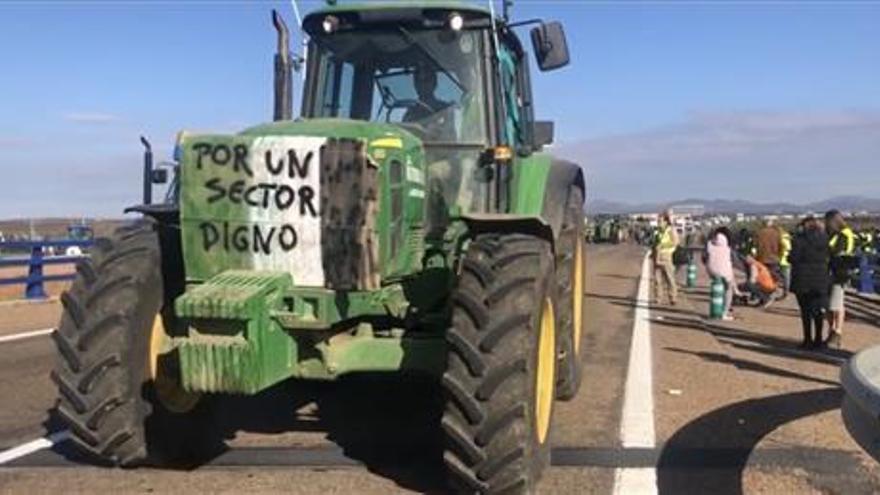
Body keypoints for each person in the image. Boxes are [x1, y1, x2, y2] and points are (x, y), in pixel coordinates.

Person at [789, 216, 830, 349]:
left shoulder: (799, 240)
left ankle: (808, 339)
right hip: (821, 277)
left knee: (805, 311)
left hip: (803, 278)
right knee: (818, 310)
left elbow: (794, 257)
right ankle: (818, 338)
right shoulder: (824, 239)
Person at [825, 210, 857, 348]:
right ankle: (832, 330)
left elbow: (838, 252)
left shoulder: (844, 234)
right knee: (829, 305)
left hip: (840, 272)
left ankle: (837, 331)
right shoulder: (834, 234)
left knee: (836, 304)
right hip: (832, 271)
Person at [704, 227, 742, 320]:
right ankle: (724, 312)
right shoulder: (728, 247)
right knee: (728, 289)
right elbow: (734, 261)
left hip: (711, 270)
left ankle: (716, 307)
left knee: (718, 287)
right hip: (724, 272)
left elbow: (704, 257)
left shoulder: (709, 244)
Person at [754, 218, 784, 307]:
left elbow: (756, 245)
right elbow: (780, 245)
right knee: (772, 278)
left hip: (762, 258)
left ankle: (763, 298)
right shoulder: (777, 233)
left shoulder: (759, 233)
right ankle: (771, 293)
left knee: (761, 279)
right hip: (774, 258)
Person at [652, 211, 679, 306]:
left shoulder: (671, 230)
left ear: (666, 221)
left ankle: (673, 297)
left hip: (666, 256)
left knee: (669, 278)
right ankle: (657, 298)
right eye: (658, 221)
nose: (659, 222)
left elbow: (675, 242)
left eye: (660, 221)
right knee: (657, 279)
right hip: (657, 256)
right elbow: (655, 243)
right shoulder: (658, 232)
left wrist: (663, 245)